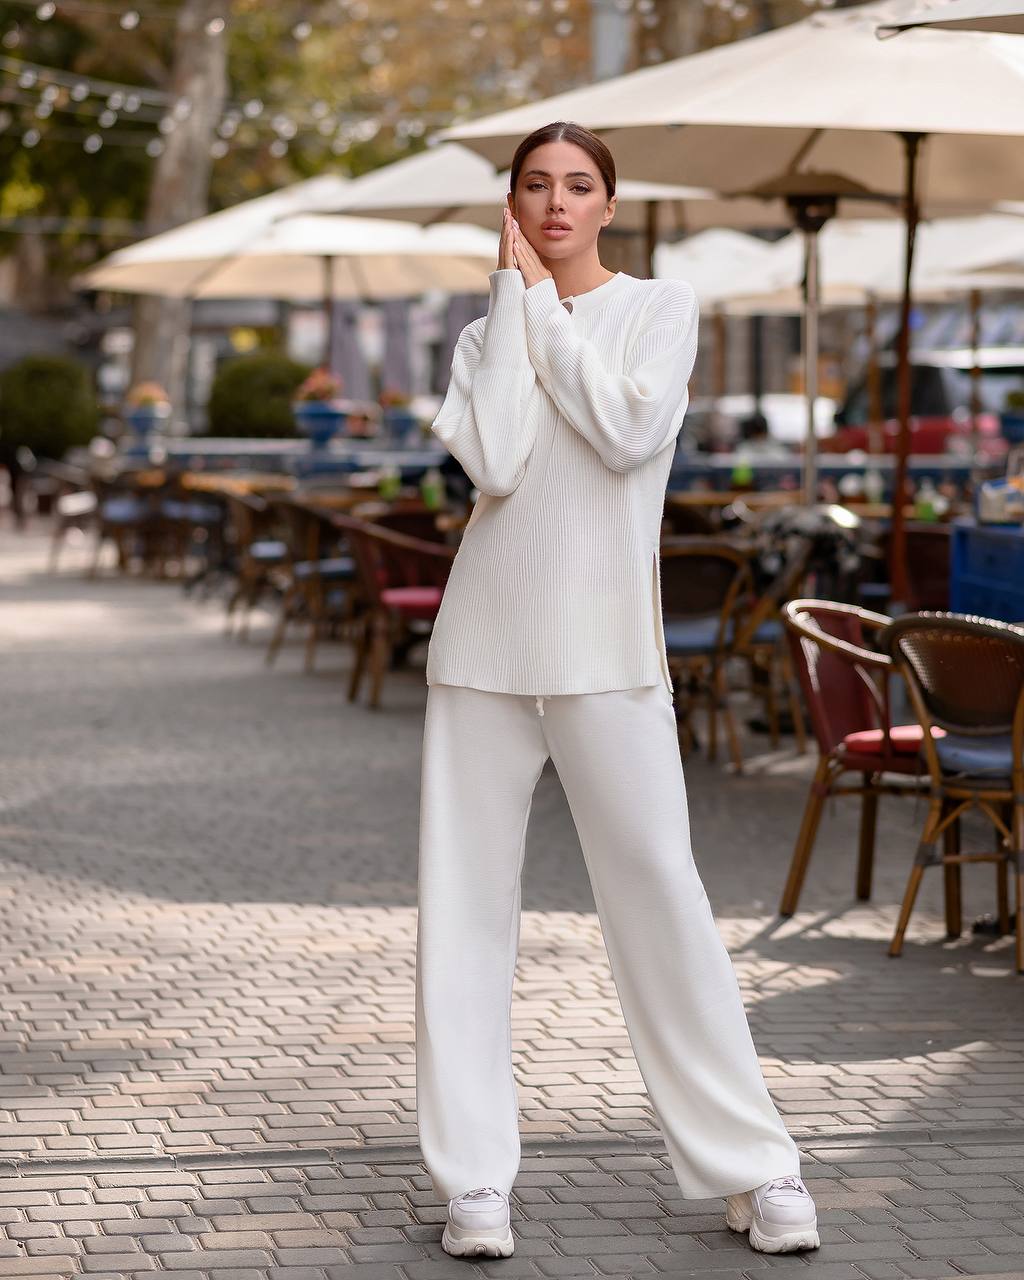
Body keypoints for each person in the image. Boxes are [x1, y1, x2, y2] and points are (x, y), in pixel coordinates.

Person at [415, 120, 819, 1261]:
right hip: (481, 647)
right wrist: (512, 305)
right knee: (462, 912)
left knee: (662, 898)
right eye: (534, 186)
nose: (554, 204)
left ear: (607, 204)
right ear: (510, 203)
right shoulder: (480, 330)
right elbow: (495, 464)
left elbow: (627, 426)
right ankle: (474, 1181)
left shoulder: (660, 306)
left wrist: (541, 308)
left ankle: (754, 1161)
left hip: (607, 649)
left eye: (577, 186)